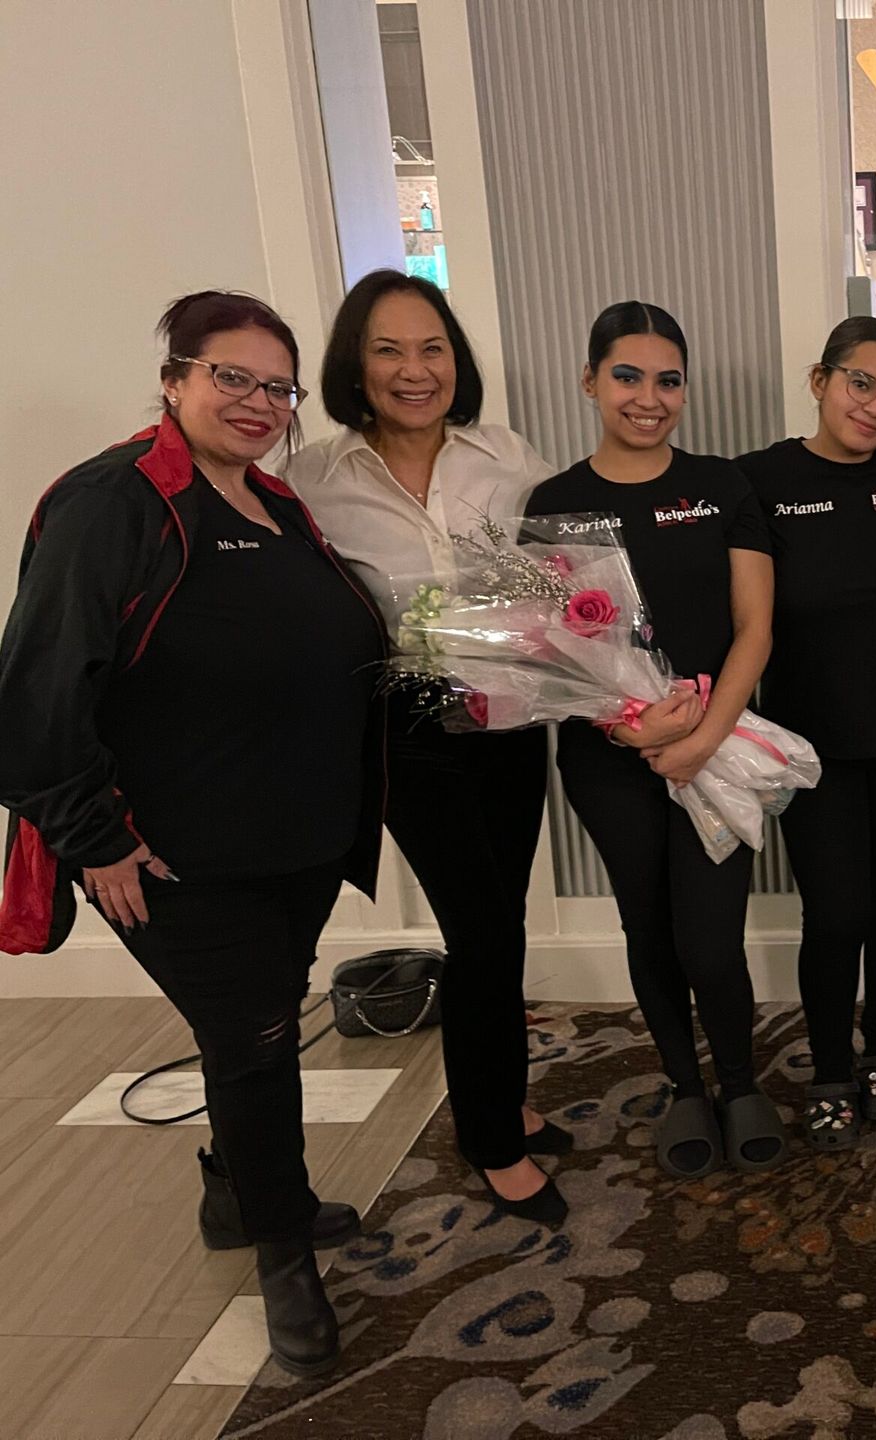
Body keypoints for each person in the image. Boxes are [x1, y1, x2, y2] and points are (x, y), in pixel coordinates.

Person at [0, 292, 386, 1377]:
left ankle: (234, 1189)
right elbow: (33, 693)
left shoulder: (271, 500)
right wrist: (94, 838)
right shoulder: (112, 500)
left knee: (251, 1028)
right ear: (175, 378)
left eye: (278, 386)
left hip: (297, 840)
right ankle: (281, 1250)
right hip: (181, 855)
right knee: (258, 1042)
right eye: (232, 377)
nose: (258, 402)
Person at [286, 271, 567, 1226]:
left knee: (506, 917)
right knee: (479, 927)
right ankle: (490, 1137)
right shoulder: (314, 480)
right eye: (389, 350)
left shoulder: (505, 455)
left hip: (511, 714)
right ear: (354, 368)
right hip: (406, 729)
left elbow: (553, 571)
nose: (416, 369)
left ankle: (507, 1094)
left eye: (433, 348)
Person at [523, 302, 785, 1177]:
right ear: (590, 380)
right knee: (653, 929)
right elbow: (552, 653)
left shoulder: (720, 487)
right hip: (609, 763)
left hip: (719, 752)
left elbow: (755, 629)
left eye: (667, 379)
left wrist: (700, 740)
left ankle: (740, 1080)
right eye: (627, 376)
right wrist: (631, 727)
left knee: (711, 937)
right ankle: (684, 1088)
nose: (649, 397)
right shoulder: (555, 504)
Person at [736, 318, 876, 1150]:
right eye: (861, 384)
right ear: (820, 378)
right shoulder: (759, 480)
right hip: (815, 746)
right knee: (835, 912)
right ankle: (830, 1065)